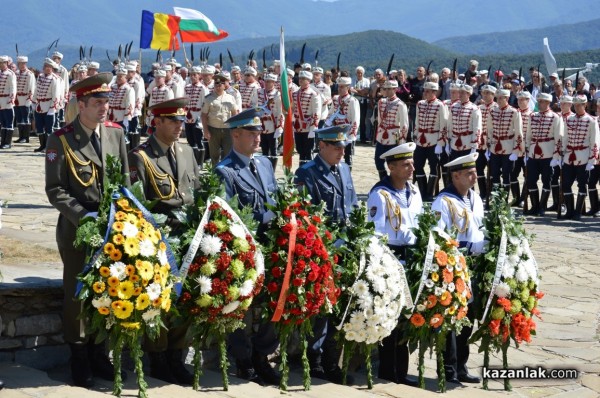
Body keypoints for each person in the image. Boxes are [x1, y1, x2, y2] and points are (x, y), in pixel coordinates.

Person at [45, 73, 129, 387]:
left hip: (112, 229)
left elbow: (123, 183)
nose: (104, 108)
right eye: (97, 102)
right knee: (78, 294)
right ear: (81, 104)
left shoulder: (116, 135)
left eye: (107, 102)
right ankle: (78, 356)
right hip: (78, 228)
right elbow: (56, 190)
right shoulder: (62, 139)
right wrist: (85, 219)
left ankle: (99, 352)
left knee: (108, 289)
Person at [128, 97, 198, 385]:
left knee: (185, 297)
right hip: (159, 237)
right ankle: (157, 356)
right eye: (173, 121)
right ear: (156, 122)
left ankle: (176, 355)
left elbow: (195, 190)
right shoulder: (140, 156)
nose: (180, 126)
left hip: (187, 237)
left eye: (182, 121)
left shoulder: (187, 150)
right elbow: (138, 202)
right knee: (160, 299)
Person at [214, 108, 281, 386]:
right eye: (252, 133)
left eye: (259, 132)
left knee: (275, 300)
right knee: (241, 305)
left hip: (273, 244)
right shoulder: (226, 170)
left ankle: (262, 356)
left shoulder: (265, 163)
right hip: (244, 249)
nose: (258, 137)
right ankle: (243, 359)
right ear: (236, 134)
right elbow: (226, 215)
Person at [294, 124, 358, 384]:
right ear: (322, 147)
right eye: (336, 147)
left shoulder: (343, 169)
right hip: (322, 250)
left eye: (344, 147)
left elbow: (351, 206)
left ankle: (333, 359)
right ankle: (314, 358)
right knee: (321, 307)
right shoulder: (307, 173)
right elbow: (306, 215)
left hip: (345, 250)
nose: (341, 152)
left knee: (339, 307)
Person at [367, 142, 421, 386]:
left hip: (413, 261)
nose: (411, 168)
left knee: (407, 318)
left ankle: (402, 370)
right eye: (405, 164)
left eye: (411, 163)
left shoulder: (414, 191)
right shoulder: (381, 194)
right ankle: (389, 371)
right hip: (392, 261)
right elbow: (376, 232)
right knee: (392, 319)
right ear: (390, 167)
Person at [431, 152, 486, 385]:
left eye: (474, 172)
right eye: (469, 173)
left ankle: (461, 366)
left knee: (468, 319)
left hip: (473, 265)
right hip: (453, 267)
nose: (475, 177)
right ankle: (448, 369)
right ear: (455, 176)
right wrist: (466, 246)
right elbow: (438, 237)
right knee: (451, 319)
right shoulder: (443, 201)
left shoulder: (475, 198)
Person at [560, 95, 600, 219]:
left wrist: (592, 160)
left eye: (580, 105)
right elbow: (565, 138)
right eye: (575, 105)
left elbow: (594, 141)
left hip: (583, 156)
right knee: (566, 184)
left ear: (585, 105)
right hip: (569, 157)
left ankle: (578, 212)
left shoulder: (591, 121)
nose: (577, 107)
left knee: (582, 185)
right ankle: (569, 211)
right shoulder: (569, 119)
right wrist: (561, 154)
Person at [524, 92, 563, 215]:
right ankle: (534, 205)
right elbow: (528, 135)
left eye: (542, 101)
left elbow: (558, 138)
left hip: (548, 153)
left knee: (547, 181)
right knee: (530, 180)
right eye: (539, 101)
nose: (539, 103)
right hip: (533, 154)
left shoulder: (555, 117)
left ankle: (542, 206)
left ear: (548, 103)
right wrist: (527, 151)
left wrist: (556, 156)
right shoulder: (532, 116)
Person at [413, 81, 447, 201]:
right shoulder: (420, 104)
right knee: (417, 165)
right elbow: (417, 122)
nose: (425, 93)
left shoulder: (440, 105)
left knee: (434, 167)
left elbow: (443, 125)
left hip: (434, 140)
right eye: (425, 90)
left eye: (428, 91)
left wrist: (440, 143)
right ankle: (422, 191)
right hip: (421, 140)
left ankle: (429, 192)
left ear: (434, 92)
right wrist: (416, 136)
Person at [486, 88, 523, 198]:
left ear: (507, 98)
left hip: (508, 147)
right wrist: (488, 146)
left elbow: (518, 132)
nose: (498, 100)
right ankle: (496, 199)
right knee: (495, 174)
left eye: (501, 98)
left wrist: (516, 150)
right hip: (494, 147)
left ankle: (504, 200)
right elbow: (490, 130)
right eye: (497, 98)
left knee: (507, 175)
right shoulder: (492, 111)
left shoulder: (514, 112)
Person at [201, 72, 239, 166]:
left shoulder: (230, 98)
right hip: (213, 129)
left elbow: (235, 113)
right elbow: (204, 115)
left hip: (227, 130)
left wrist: (235, 129)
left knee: (228, 153)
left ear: (224, 85)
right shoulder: (208, 98)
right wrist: (205, 130)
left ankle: (226, 174)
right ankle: (215, 176)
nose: (218, 86)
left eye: (220, 84)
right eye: (216, 84)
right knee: (214, 155)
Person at [374, 79, 409, 181]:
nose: (388, 91)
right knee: (378, 161)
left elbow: (404, 124)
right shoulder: (381, 102)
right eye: (386, 89)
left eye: (390, 89)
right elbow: (380, 120)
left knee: (393, 162)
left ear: (395, 89)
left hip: (394, 136)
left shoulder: (400, 104)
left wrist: (402, 141)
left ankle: (393, 182)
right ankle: (384, 181)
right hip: (382, 136)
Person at [328, 76, 360, 169]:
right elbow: (331, 114)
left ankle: (347, 175)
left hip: (347, 132)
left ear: (348, 88)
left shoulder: (352, 101)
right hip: (337, 131)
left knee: (347, 156)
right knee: (335, 154)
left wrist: (352, 135)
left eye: (342, 87)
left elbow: (355, 119)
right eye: (339, 86)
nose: (339, 89)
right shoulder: (335, 99)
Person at [292, 70, 321, 166]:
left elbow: (316, 112)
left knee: (308, 152)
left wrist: (313, 128)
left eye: (303, 79)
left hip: (308, 127)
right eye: (300, 78)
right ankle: (301, 172)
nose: (300, 80)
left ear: (309, 80)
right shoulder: (295, 93)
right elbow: (293, 110)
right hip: (298, 126)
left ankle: (309, 173)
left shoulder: (313, 94)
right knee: (300, 151)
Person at [446, 84, 482, 161]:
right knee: (455, 170)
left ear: (469, 94)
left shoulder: (474, 108)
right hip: (454, 143)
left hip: (468, 143)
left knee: (466, 170)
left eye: (463, 92)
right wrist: (447, 143)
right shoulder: (453, 106)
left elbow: (477, 128)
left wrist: (474, 146)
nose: (460, 94)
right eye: (460, 92)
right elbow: (450, 126)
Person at [33, 58, 61, 152]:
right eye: (44, 66)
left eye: (48, 66)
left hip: (48, 106)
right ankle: (42, 145)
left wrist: (52, 108)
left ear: (52, 68)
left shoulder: (54, 79)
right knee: (39, 127)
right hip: (39, 105)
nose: (45, 68)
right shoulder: (40, 76)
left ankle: (49, 147)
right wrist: (34, 102)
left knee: (49, 129)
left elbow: (55, 95)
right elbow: (37, 90)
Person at [257, 73, 283, 170]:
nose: (267, 83)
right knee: (264, 148)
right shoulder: (259, 92)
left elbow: (279, 111)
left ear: (273, 83)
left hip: (272, 124)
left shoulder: (277, 94)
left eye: (270, 82)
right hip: (261, 124)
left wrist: (279, 125)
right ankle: (264, 169)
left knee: (273, 149)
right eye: (266, 81)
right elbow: (255, 106)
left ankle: (272, 169)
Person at [183, 66, 207, 166]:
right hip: (188, 115)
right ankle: (192, 161)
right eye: (191, 75)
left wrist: (202, 118)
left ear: (199, 76)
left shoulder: (202, 88)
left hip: (198, 115)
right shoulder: (187, 87)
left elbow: (205, 104)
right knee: (190, 139)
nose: (193, 77)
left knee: (199, 140)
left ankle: (200, 163)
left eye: (195, 75)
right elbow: (184, 101)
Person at [477, 85, 497, 201]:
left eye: (487, 93)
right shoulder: (479, 107)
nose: (485, 95)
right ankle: (483, 192)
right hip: (480, 143)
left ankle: (491, 193)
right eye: (484, 93)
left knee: (492, 171)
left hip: (492, 144)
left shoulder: (496, 108)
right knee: (479, 168)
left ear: (493, 95)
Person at [13, 55, 36, 144]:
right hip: (17, 99)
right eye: (20, 63)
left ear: (25, 63)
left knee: (26, 119)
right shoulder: (16, 73)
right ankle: (21, 136)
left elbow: (31, 88)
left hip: (25, 98)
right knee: (19, 119)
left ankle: (26, 137)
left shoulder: (29, 74)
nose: (21, 65)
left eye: (23, 63)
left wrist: (29, 100)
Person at [0, 55, 17, 149]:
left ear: (6, 63)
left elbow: (13, 88)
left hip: (7, 100)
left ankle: (7, 142)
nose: (1, 65)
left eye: (2, 63)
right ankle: (2, 141)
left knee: (9, 121)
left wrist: (11, 99)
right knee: (2, 122)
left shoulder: (10, 74)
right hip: (0, 101)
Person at [351, 66, 371, 143]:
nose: (359, 74)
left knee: (362, 120)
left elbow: (366, 91)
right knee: (354, 118)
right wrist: (360, 91)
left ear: (363, 73)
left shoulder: (366, 81)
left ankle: (362, 138)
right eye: (358, 73)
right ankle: (353, 136)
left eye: (361, 73)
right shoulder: (353, 80)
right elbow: (351, 90)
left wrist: (357, 90)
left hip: (363, 102)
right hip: (355, 102)